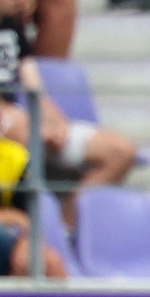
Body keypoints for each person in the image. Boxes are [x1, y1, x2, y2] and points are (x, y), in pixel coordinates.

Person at [0, 0, 137, 213]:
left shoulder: (12, 25)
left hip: (22, 124)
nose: (27, 3)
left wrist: (55, 123)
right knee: (17, 127)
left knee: (120, 151)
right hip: (9, 128)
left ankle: (65, 226)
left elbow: (33, 83)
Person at [0, 135, 66, 277]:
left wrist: (28, 239)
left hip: (8, 235)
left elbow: (27, 217)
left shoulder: (17, 157)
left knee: (49, 262)